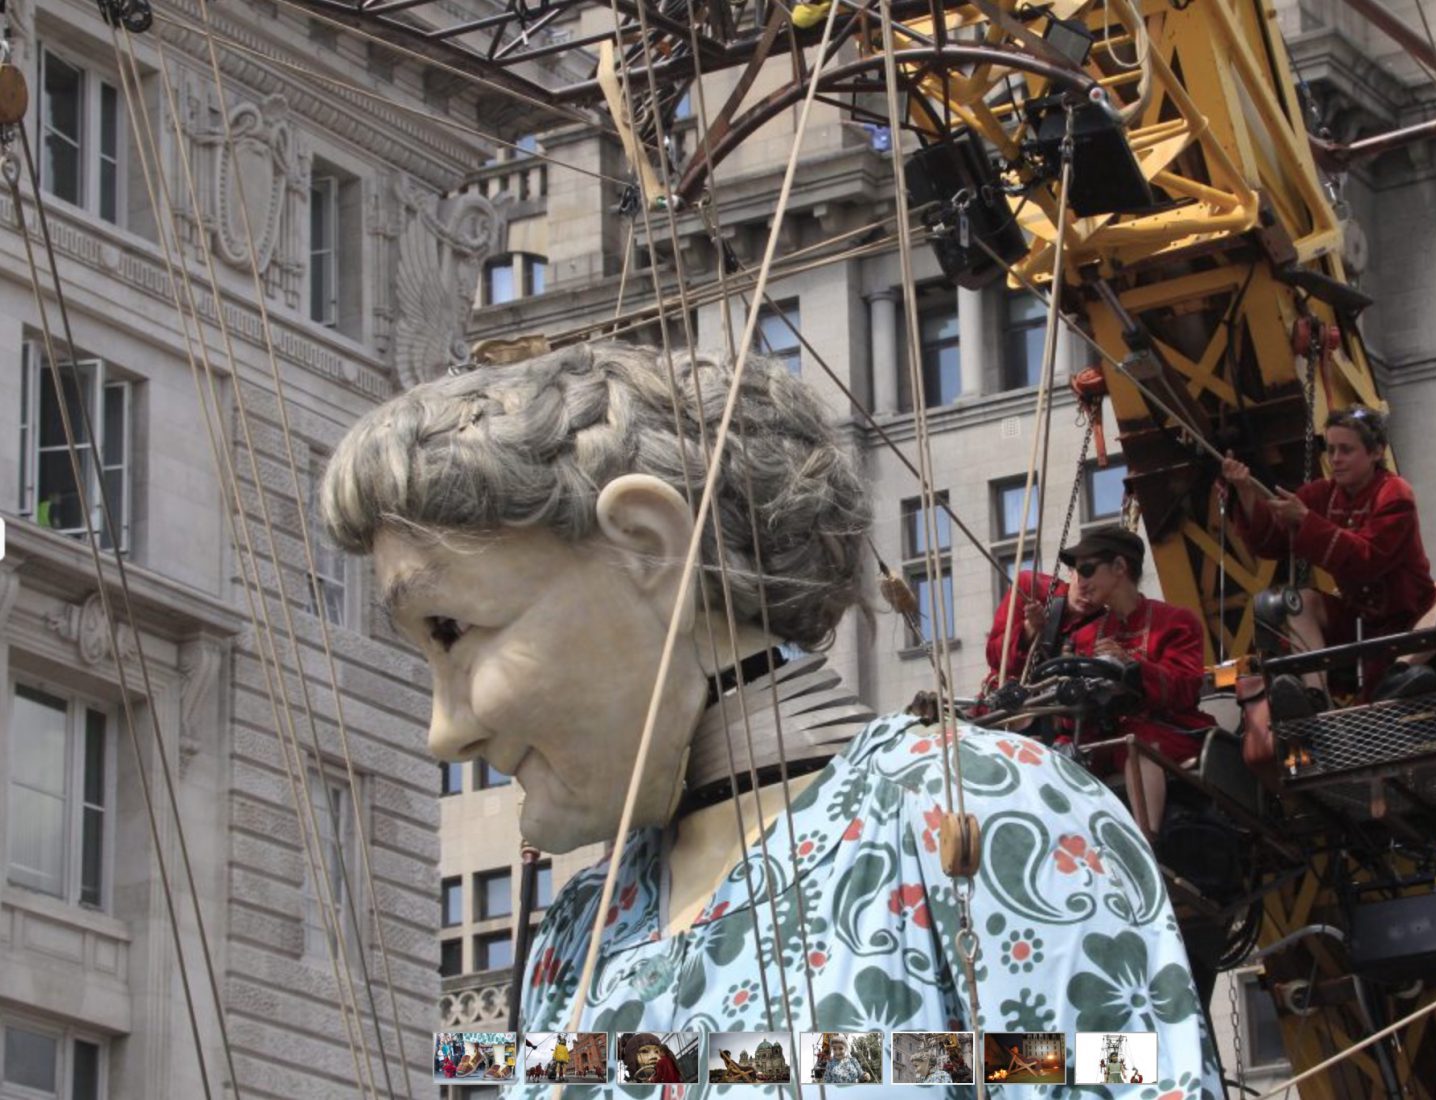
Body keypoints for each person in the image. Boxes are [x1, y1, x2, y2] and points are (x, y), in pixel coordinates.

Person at [319, 343, 1226, 1099]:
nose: (447, 732)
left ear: (646, 543)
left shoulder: (988, 811)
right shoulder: (582, 933)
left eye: (454, 632)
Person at [1221, 405, 1436, 713]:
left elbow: (1368, 559)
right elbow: (1271, 542)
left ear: (1375, 453)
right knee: (1299, 600)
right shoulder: (1321, 495)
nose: (1335, 459)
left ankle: (1400, 673)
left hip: (1413, 617)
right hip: (1363, 622)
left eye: (1346, 450)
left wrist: (1307, 521)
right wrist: (1246, 493)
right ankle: (1314, 694)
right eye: (1331, 449)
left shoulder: (1394, 493)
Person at [1058, 526, 1215, 836]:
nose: (1080, 581)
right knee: (1059, 752)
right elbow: (1070, 716)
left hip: (1168, 732)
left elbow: (1184, 687)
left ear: (1119, 567)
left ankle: (1147, 848)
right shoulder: (1082, 636)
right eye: (1076, 571)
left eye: (1087, 569)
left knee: (1136, 740)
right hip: (1105, 741)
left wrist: (1132, 667)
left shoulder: (1176, 621)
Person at [983, 568, 1099, 687]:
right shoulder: (1031, 586)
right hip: (1008, 697)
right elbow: (995, 657)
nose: (1088, 598)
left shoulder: (1107, 620)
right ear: (1071, 570)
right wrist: (1029, 628)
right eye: (1084, 585)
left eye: (1098, 590)